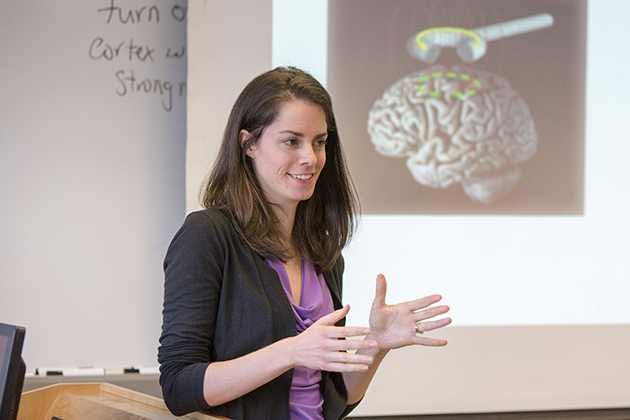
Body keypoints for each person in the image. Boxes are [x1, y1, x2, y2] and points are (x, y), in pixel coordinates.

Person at [158, 67, 452, 420]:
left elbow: (336, 401)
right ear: (248, 144)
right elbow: (178, 387)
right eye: (291, 141)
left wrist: (378, 345)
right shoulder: (207, 236)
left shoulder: (323, 252)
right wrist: (291, 352)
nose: (310, 159)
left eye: (319, 141)